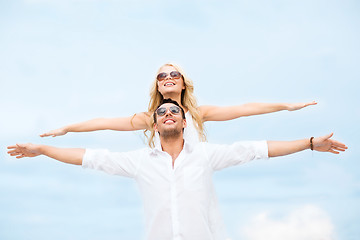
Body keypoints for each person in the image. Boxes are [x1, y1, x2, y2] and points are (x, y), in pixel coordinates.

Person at [8, 99, 347, 240]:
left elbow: (259, 150)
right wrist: (42, 149)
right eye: (160, 113)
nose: (167, 113)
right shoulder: (139, 162)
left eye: (174, 111)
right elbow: (88, 156)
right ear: (154, 125)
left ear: (185, 122)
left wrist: (310, 141)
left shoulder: (206, 156)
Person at [40, 63, 317, 147]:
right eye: (162, 76)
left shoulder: (199, 114)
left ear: (183, 84)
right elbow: (101, 123)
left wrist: (285, 106)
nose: (168, 78)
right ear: (158, 86)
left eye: (175, 75)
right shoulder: (149, 118)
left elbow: (246, 108)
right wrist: (67, 129)